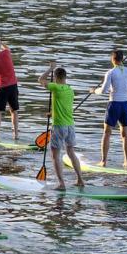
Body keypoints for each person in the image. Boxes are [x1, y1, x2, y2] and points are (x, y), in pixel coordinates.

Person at [38, 62, 84, 190]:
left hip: (59, 126)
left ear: (56, 78)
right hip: (70, 126)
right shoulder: (70, 90)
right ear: (65, 77)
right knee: (71, 152)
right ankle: (80, 180)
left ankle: (61, 184)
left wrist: (50, 69)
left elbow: (40, 80)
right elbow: (63, 105)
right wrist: (52, 113)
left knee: (54, 154)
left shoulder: (56, 87)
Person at [91, 48, 127, 168]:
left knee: (107, 133)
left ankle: (103, 161)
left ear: (113, 59)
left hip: (114, 105)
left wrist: (94, 91)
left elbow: (103, 90)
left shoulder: (110, 73)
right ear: (122, 59)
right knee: (125, 134)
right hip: (125, 105)